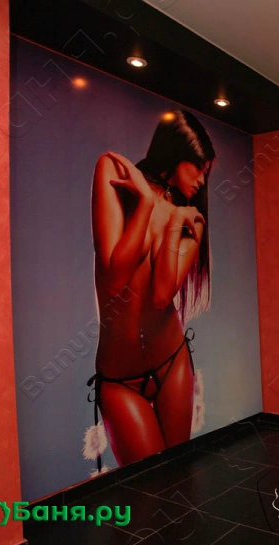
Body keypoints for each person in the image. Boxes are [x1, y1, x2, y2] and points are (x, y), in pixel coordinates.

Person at [86, 109, 213, 469]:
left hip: (172, 362)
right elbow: (114, 277)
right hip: (120, 379)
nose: (202, 180)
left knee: (179, 478)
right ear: (175, 152)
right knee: (149, 487)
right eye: (198, 166)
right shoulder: (113, 172)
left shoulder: (191, 220)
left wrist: (174, 225)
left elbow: (161, 296)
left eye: (207, 172)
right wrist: (143, 203)